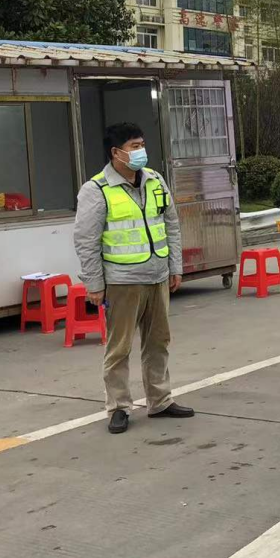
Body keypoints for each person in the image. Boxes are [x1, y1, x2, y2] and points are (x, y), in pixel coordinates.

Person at [73, 123, 190, 435]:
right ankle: (119, 407)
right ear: (116, 152)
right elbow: (87, 241)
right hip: (122, 281)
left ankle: (160, 400)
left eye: (142, 144)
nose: (141, 151)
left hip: (157, 277)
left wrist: (174, 267)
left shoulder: (154, 180)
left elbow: (172, 225)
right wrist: (94, 285)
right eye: (134, 146)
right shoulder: (96, 190)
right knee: (119, 347)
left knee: (158, 342)